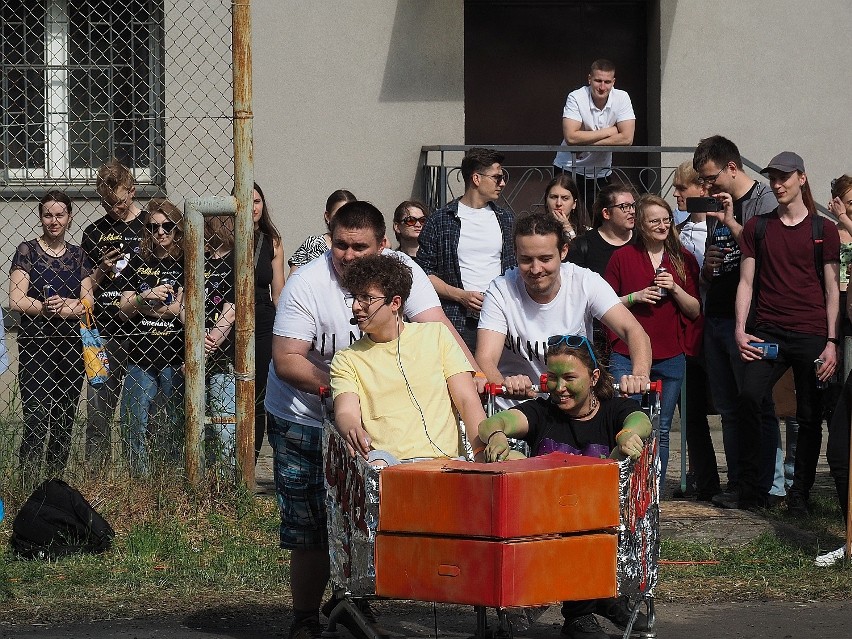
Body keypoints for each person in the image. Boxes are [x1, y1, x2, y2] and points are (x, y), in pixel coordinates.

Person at [265, 201, 480, 639]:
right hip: (300, 415)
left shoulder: (402, 274)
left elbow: (440, 329)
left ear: (383, 244)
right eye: (340, 245)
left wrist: (474, 380)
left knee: (359, 522)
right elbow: (287, 359)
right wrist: (354, 385)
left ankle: (351, 601)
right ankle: (305, 617)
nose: (348, 256)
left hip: (373, 416)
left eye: (360, 246)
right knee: (310, 527)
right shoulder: (307, 284)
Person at [477, 337, 651, 639]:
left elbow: (641, 419)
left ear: (593, 377)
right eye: (553, 377)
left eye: (569, 378)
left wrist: (627, 434)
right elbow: (494, 422)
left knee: (617, 463)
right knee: (513, 460)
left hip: (602, 514)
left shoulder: (612, 410)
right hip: (547, 519)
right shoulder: (543, 412)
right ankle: (597, 602)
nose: (559, 387)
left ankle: (584, 610)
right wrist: (497, 436)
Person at [735, 152, 840, 513]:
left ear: (802, 179)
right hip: (768, 330)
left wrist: (832, 341)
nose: (777, 184)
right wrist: (740, 329)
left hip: (811, 332)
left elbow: (831, 289)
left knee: (810, 415)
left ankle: (800, 494)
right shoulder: (758, 227)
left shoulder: (822, 229)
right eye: (772, 178)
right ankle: (754, 487)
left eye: (784, 177)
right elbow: (746, 281)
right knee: (749, 396)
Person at [476, 211, 651, 412]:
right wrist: (505, 383)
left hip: (572, 410)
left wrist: (639, 374)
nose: (535, 269)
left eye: (545, 258)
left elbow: (634, 331)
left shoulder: (584, 282)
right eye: (526, 259)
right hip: (518, 411)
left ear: (564, 252)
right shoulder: (501, 289)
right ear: (515, 254)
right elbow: (486, 358)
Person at [693, 135, 785, 509]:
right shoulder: (717, 204)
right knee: (730, 410)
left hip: (748, 320)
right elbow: (722, 262)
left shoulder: (763, 201)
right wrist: (708, 269)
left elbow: (764, 253)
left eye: (711, 177)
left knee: (757, 405)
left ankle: (769, 487)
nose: (707, 186)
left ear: (732, 167)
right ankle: (740, 484)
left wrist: (731, 222)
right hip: (716, 316)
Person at [330, 254, 486, 465]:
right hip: (387, 465)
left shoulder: (437, 335)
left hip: (446, 463)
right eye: (354, 297)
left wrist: (481, 453)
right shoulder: (346, 359)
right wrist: (352, 428)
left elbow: (467, 400)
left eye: (366, 298)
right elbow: (345, 411)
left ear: (395, 303)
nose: (357, 306)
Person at [604, 194, 701, 490]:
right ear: (641, 225)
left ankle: (652, 491)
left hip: (671, 354)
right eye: (654, 220)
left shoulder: (682, 258)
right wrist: (636, 297)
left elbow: (695, 310)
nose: (661, 225)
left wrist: (674, 288)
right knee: (627, 422)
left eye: (665, 220)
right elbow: (604, 305)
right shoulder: (622, 257)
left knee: (660, 426)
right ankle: (624, 486)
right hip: (627, 354)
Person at [10, 191, 94, 476]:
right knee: (35, 418)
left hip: (70, 350)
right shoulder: (27, 251)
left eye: (60, 215)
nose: (53, 221)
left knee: (64, 419)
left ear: (69, 218)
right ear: (40, 217)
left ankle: (54, 484)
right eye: (48, 215)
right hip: (36, 347)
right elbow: (16, 299)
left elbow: (88, 304)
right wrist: (47, 307)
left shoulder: (78, 255)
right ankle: (28, 484)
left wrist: (65, 308)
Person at [416, 147, 516, 352]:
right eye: (497, 177)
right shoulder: (441, 220)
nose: (503, 183)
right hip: (458, 320)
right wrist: (460, 295)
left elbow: (515, 267)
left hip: (500, 318)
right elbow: (423, 273)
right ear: (476, 179)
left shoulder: (505, 219)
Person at [82, 159, 145, 465]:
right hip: (105, 333)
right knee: (98, 414)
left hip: (147, 332)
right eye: (107, 204)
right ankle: (97, 481)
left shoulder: (154, 225)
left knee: (141, 416)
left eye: (119, 202)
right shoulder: (94, 232)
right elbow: (85, 287)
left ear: (132, 192)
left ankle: (147, 480)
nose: (114, 210)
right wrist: (101, 270)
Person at [118, 199, 185, 477]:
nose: (161, 232)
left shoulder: (187, 261)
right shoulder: (138, 261)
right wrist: (146, 296)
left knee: (173, 423)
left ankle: (171, 479)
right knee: (133, 422)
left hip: (175, 354)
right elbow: (122, 309)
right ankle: (141, 481)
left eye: (167, 226)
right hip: (140, 353)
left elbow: (185, 309)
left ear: (178, 228)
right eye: (154, 226)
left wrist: (145, 308)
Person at [672, 161, 721, 501]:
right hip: (686, 328)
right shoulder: (680, 227)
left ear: (702, 190)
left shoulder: (716, 228)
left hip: (712, 324)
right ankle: (702, 476)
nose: (676, 193)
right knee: (690, 411)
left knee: (721, 406)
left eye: (682, 188)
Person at [552, 58, 636, 206]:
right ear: (589, 79)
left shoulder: (622, 97)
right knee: (563, 218)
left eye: (607, 82)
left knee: (601, 221)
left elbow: (627, 139)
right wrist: (610, 131)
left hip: (601, 171)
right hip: (568, 167)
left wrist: (584, 142)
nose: (602, 87)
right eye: (598, 81)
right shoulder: (576, 97)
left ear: (613, 82)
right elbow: (571, 137)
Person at [252, 183, 286, 459]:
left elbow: (279, 292)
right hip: (226, 315)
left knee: (258, 393)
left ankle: (251, 458)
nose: (252, 207)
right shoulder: (220, 239)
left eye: (257, 201)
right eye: (246, 200)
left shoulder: (271, 240)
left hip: (263, 318)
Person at [203, 215, 238, 469]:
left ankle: (224, 483)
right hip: (190, 348)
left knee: (223, 424)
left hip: (222, 354)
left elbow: (231, 308)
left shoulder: (236, 259)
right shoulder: (198, 258)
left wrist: (208, 344)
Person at [566, 184, 637, 276]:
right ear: (606, 213)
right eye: (625, 207)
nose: (632, 211)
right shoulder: (582, 245)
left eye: (633, 205)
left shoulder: (642, 240)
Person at [288, 189, 356, 276]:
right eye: (338, 214)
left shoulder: (363, 249)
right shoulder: (312, 244)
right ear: (328, 216)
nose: (344, 219)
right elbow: (293, 281)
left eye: (349, 214)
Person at [543, 173, 590, 250]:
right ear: (546, 201)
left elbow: (582, 256)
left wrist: (568, 229)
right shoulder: (536, 228)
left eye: (565, 198)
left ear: (574, 204)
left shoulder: (588, 233)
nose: (558, 203)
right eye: (554, 197)